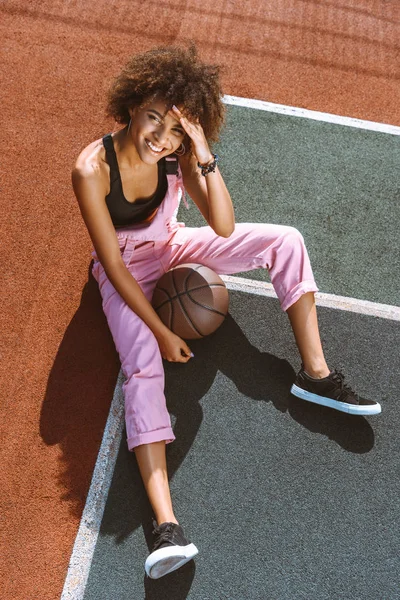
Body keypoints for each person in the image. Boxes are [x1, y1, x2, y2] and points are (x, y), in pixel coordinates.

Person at [72, 45, 381, 579]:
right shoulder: (91, 168)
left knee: (285, 240)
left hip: (172, 246)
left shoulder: (178, 154)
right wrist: (160, 331)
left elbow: (220, 224)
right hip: (124, 270)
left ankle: (317, 374)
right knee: (143, 366)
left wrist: (201, 149)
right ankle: (166, 527)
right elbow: (114, 269)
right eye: (153, 119)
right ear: (131, 104)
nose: (159, 138)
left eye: (175, 129)